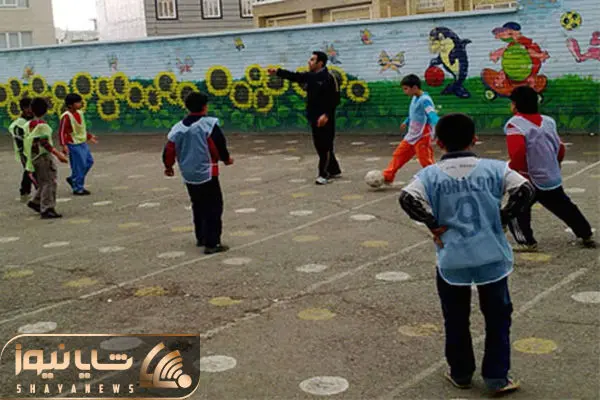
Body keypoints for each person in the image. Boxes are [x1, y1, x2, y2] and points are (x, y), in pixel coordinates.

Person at [399, 113, 535, 395]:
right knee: (498, 317)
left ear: (438, 142)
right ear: (474, 139)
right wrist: (504, 216)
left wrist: (432, 223)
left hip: (453, 260)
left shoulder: (429, 175)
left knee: (456, 317)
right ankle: (497, 377)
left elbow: (407, 198)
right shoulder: (495, 169)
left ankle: (460, 373)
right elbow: (525, 190)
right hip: (492, 258)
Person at [504, 86, 596, 250]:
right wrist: (556, 164)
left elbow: (517, 152)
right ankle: (585, 233)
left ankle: (526, 242)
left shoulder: (515, 124)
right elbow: (560, 147)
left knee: (517, 210)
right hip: (549, 176)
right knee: (564, 206)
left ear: (515, 105)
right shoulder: (548, 122)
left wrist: (515, 170)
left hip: (528, 177)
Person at [162, 92, 234, 255]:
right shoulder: (208, 125)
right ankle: (212, 243)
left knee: (198, 204)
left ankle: (201, 236)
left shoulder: (178, 128)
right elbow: (218, 144)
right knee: (213, 206)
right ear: (204, 106)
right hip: (207, 171)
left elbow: (169, 149)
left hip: (188, 173)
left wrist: (168, 166)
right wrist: (226, 159)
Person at [268, 51, 341, 185]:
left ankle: (323, 174)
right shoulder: (310, 76)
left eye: (312, 60)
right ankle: (334, 169)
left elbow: (335, 99)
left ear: (320, 63)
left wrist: (326, 115)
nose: (309, 62)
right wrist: (278, 72)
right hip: (314, 117)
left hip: (326, 118)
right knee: (320, 145)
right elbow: (295, 76)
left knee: (324, 146)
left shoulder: (330, 78)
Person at [383, 74, 438, 184]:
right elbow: (414, 114)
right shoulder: (414, 98)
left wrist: (438, 123)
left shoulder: (425, 100)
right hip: (412, 134)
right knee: (399, 154)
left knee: (425, 160)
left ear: (415, 88)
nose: (404, 92)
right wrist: (406, 121)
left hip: (423, 135)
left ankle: (436, 179)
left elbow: (431, 113)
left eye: (406, 89)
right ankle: (388, 176)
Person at [24, 97, 69, 219]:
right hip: (43, 157)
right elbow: (44, 143)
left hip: (34, 156)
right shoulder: (42, 126)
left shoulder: (28, 125)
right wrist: (58, 154)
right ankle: (47, 208)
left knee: (44, 181)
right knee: (49, 182)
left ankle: (36, 201)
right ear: (46, 110)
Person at [59, 93, 97, 196]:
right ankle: (78, 188)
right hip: (73, 144)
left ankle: (73, 179)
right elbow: (62, 132)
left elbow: (81, 128)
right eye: (78, 102)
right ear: (70, 105)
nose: (80, 104)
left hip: (82, 142)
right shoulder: (66, 116)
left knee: (89, 162)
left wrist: (89, 136)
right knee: (79, 166)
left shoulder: (80, 113)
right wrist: (64, 145)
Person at [8, 97, 35, 202]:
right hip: (25, 152)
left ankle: (27, 191)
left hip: (34, 150)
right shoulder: (19, 124)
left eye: (31, 107)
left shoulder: (33, 120)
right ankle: (26, 192)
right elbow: (20, 140)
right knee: (30, 170)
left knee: (31, 170)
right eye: (27, 108)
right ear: (23, 109)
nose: (30, 110)